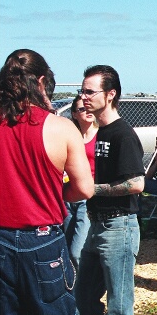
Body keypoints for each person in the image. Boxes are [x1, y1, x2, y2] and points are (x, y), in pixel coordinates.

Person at [0, 49, 96, 315]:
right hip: (42, 240)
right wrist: (54, 192)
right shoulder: (60, 128)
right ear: (41, 82)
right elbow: (84, 188)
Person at [75, 65, 144, 315]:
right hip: (97, 226)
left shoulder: (122, 133)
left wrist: (92, 188)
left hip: (119, 227)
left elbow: (137, 184)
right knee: (84, 296)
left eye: (90, 91)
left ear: (111, 94)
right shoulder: (99, 131)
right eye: (82, 91)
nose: (84, 97)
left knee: (118, 307)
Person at [64, 95, 98, 270]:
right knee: (66, 246)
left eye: (89, 107)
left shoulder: (100, 135)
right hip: (69, 195)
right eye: (82, 109)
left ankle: (83, 285)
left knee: (77, 251)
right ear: (74, 114)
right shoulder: (71, 136)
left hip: (88, 196)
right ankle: (72, 284)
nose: (87, 111)